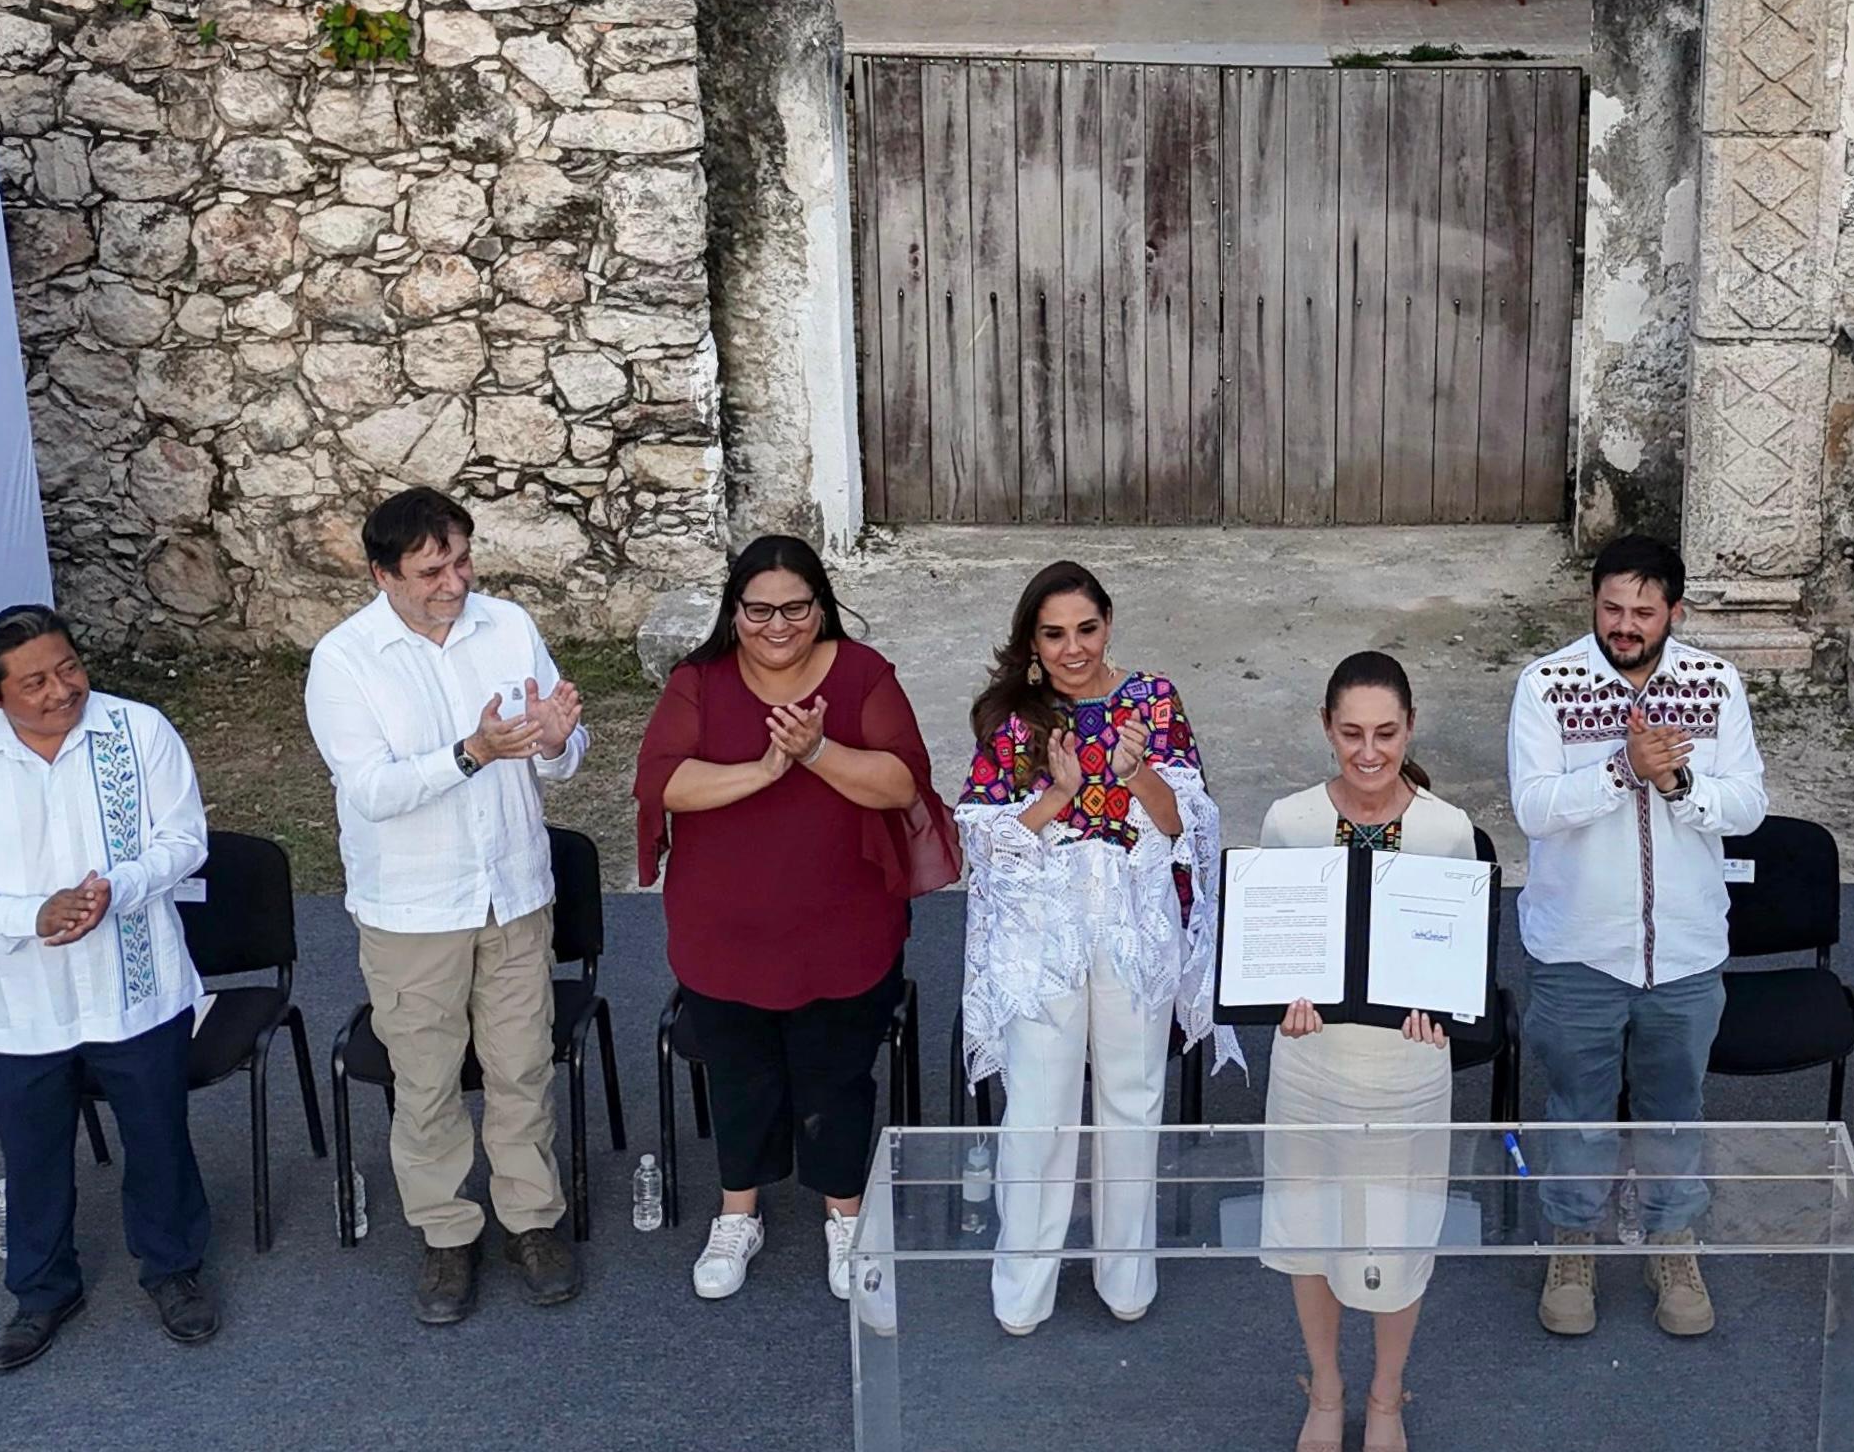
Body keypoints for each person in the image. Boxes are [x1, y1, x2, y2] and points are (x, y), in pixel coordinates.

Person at [636, 537, 955, 1305]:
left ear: (821, 604)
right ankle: (737, 1213)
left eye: (795, 607)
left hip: (840, 927)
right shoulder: (698, 681)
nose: (777, 624)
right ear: (733, 610)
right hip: (725, 930)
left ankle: (843, 1215)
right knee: (739, 1074)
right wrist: (761, 769)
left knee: (834, 1074)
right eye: (758, 609)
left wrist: (815, 751)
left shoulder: (861, 674)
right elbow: (663, 780)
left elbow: (901, 779)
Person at [305, 486, 592, 1325]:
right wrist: (470, 753)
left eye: (463, 561)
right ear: (382, 573)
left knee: (521, 1067)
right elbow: (372, 791)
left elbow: (560, 756)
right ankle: (444, 1230)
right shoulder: (345, 659)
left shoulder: (507, 626)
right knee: (425, 1083)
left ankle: (531, 1220)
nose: (455, 582)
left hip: (513, 890)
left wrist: (552, 738)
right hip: (412, 909)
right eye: (433, 570)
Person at [0, 607, 217, 1372]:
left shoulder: (138, 732)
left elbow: (185, 840)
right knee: (34, 1151)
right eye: (35, 681)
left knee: (157, 1136)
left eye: (69, 667)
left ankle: (172, 1268)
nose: (61, 690)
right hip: (21, 1004)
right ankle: (42, 1291)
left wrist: (117, 887)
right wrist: (29, 916)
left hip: (135, 984)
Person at [1506, 532, 1766, 1340]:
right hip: (1577, 948)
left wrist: (1678, 781)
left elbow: (1749, 802)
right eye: (1611, 607)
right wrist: (1621, 769)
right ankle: (1574, 1242)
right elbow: (1533, 807)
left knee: (1673, 1107)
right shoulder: (1545, 684)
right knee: (1578, 1109)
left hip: (1685, 950)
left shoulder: (1715, 684)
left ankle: (1672, 1238)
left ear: (1674, 612)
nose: (1624, 624)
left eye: (1642, 611)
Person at [953, 560, 1221, 1334]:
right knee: (1038, 1105)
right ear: (1031, 641)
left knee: (1132, 1096)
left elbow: (1183, 827)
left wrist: (1136, 775)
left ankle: (1126, 1270)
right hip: (1043, 931)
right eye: (1053, 633)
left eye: (1086, 628)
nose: (1073, 648)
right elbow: (987, 843)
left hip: (1132, 921)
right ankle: (1024, 1277)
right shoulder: (1012, 716)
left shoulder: (1154, 699)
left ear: (1108, 623)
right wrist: (1059, 796)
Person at [1264, 652, 1474, 1452]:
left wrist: (1440, 1008)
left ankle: (1385, 1394)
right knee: (1308, 1231)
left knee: (1397, 1234)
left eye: (1385, 732)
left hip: (1406, 1068)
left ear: (1409, 728)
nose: (1368, 750)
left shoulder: (1448, 830)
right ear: (1325, 728)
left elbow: (1456, 962)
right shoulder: (1285, 819)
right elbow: (1270, 943)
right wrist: (1278, 995)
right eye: (1350, 732)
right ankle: (1324, 1387)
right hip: (1311, 1060)